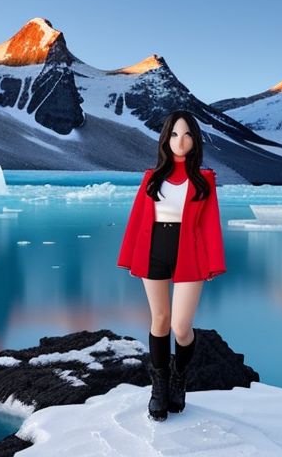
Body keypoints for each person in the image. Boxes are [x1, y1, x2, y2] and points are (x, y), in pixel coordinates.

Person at [117, 109, 227, 421]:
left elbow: (210, 226)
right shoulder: (151, 178)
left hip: (189, 252)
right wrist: (129, 256)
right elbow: (138, 219)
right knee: (160, 319)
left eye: (188, 134)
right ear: (166, 139)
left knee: (181, 327)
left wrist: (212, 262)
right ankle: (159, 389)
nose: (181, 141)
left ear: (195, 140)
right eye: (175, 134)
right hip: (154, 249)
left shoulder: (204, 180)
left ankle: (180, 374)